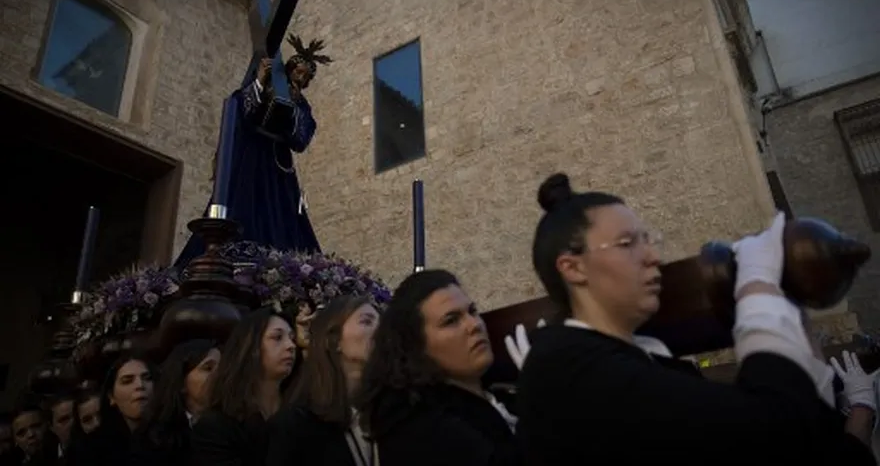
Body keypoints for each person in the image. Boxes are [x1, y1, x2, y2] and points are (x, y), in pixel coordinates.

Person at [515, 172, 875, 465]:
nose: (653, 256)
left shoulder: (647, 361)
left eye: (648, 240)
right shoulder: (566, 368)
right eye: (627, 243)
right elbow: (774, 433)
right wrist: (758, 287)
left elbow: (797, 447)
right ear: (573, 268)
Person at [174, 35, 333, 268]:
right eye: (298, 72)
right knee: (244, 203)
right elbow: (239, 107)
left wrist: (292, 110)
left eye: (306, 77)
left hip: (279, 165)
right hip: (251, 156)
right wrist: (259, 80)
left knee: (280, 212)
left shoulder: (302, 104)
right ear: (289, 71)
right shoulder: (265, 86)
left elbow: (302, 137)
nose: (301, 78)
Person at [356, 269, 520, 466]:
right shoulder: (424, 429)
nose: (474, 324)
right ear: (416, 346)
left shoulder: (502, 388)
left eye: (472, 311)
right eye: (451, 320)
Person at [267, 295, 381, 466]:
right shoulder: (295, 426)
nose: (381, 330)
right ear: (333, 340)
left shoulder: (387, 416)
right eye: (366, 321)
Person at [190, 309, 300, 466]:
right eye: (277, 338)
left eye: (292, 338)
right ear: (251, 348)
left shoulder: (301, 413)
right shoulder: (218, 426)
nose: (291, 346)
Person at [131, 339, 221, 466]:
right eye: (208, 368)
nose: (219, 375)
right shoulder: (154, 437)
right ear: (181, 382)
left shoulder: (238, 424)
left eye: (222, 367)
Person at [66, 355, 156, 466]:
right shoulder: (88, 451)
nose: (140, 385)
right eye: (127, 381)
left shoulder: (171, 438)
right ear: (111, 397)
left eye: (147, 378)